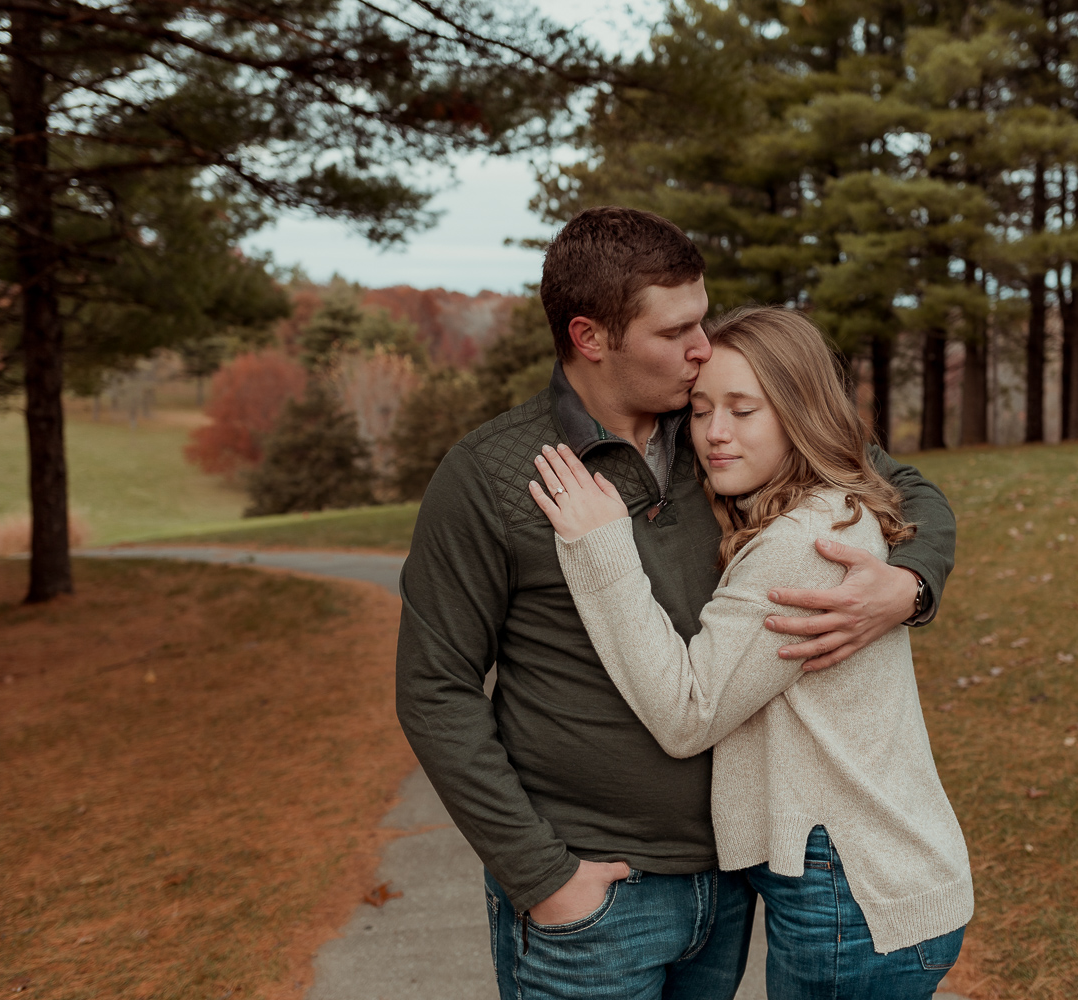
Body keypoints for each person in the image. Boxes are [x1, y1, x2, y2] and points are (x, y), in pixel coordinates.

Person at [395, 206, 957, 1000]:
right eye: (675, 332)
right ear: (591, 338)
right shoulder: (492, 476)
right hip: (595, 897)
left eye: (704, 319)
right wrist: (543, 875)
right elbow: (435, 689)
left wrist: (911, 584)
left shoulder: (730, 426)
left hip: (730, 889)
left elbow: (904, 490)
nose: (703, 348)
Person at [528, 305, 973, 999]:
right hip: (869, 883)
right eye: (701, 411)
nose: (715, 435)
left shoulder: (804, 545)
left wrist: (602, 548)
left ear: (800, 415)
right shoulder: (825, 510)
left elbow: (688, 714)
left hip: (854, 897)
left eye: (743, 410)